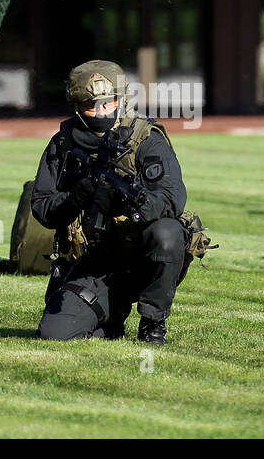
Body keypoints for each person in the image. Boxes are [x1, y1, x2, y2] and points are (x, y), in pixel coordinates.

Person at [30, 60, 194, 344]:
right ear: (77, 106)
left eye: (108, 102)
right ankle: (111, 318)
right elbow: (42, 207)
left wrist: (129, 205)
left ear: (121, 100)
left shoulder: (146, 139)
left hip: (141, 259)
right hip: (93, 263)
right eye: (91, 105)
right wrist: (77, 196)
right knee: (53, 334)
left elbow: (172, 197)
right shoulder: (63, 144)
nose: (101, 112)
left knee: (168, 233)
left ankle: (153, 321)